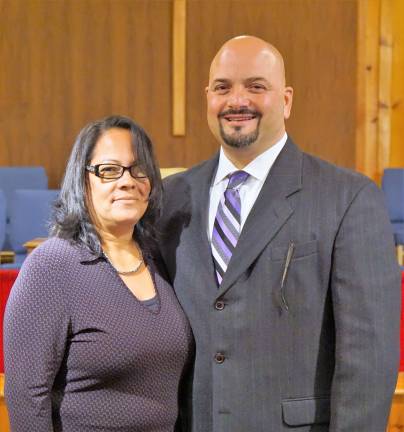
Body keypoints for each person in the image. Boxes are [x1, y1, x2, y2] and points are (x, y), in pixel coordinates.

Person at [159, 36, 401, 431]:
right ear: (207, 97)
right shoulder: (171, 199)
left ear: (286, 100)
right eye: (222, 87)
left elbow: (369, 360)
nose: (237, 100)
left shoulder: (349, 199)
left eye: (256, 86)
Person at [4, 115, 193, 431]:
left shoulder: (162, 260)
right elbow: (25, 396)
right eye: (109, 170)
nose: (127, 181)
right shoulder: (51, 266)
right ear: (82, 179)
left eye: (139, 169)